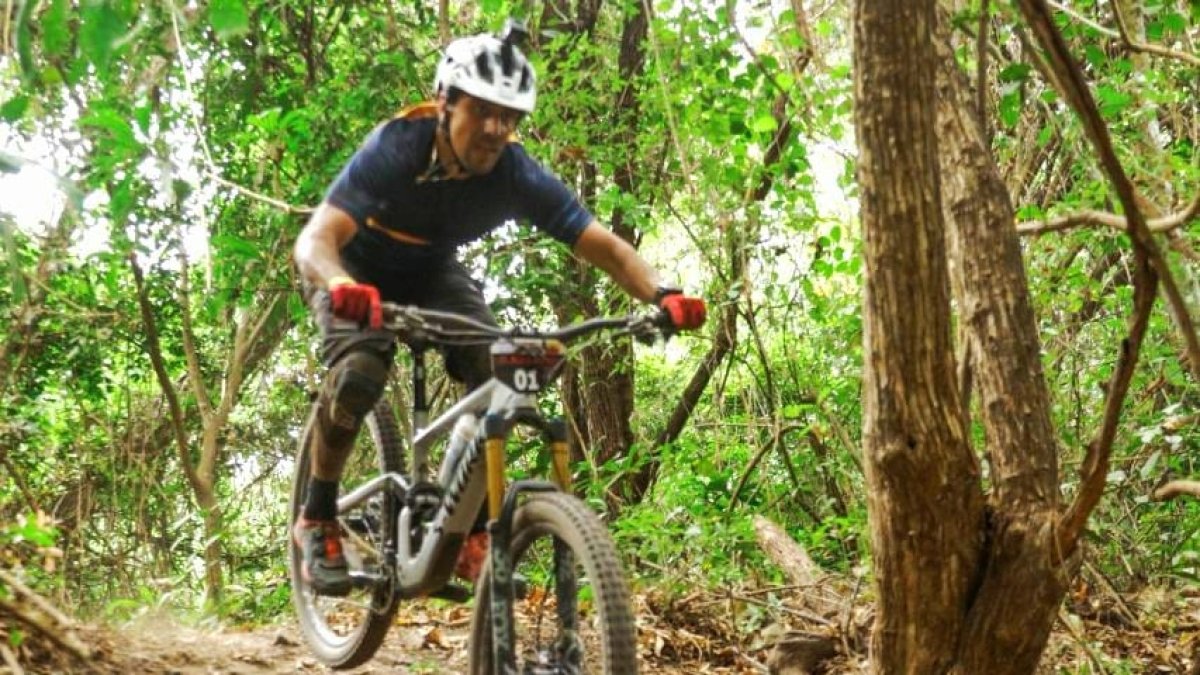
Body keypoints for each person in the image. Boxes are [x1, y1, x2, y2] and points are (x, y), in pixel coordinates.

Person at [291, 24, 706, 596]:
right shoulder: (398, 146)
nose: (494, 129)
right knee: (361, 371)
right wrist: (339, 283)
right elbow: (314, 240)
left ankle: (459, 531)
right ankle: (316, 515)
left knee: (504, 367)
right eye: (482, 110)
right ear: (446, 103)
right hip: (354, 268)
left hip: (432, 272)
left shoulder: (514, 172)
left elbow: (604, 246)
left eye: (508, 117)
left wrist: (663, 293)